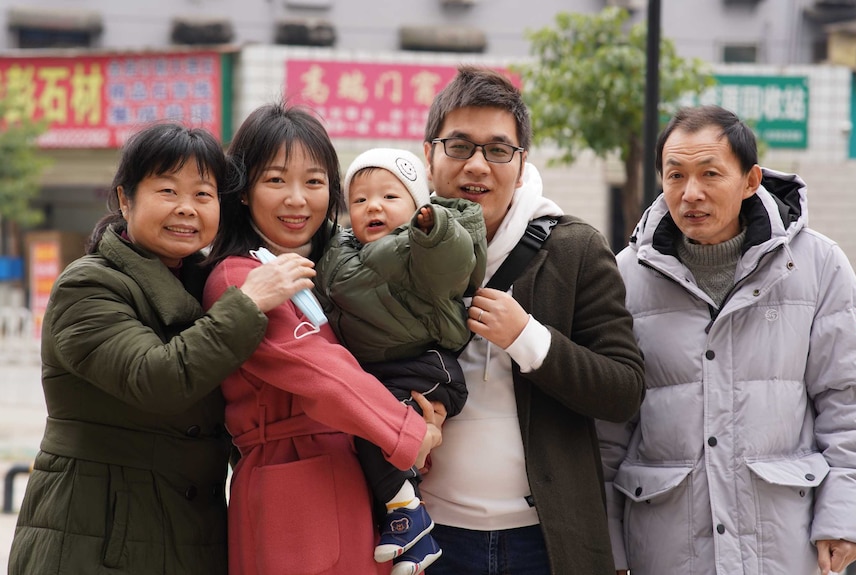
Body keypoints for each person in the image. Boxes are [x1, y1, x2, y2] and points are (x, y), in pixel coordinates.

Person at [8, 122, 309, 575]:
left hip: (191, 534)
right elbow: (158, 379)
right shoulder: (87, 285)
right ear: (126, 199)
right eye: (168, 191)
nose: (186, 209)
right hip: (94, 535)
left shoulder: (204, 284)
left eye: (204, 195)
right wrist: (247, 302)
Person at [604, 105, 856, 575]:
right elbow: (606, 432)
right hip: (664, 548)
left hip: (784, 544)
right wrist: (609, 551)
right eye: (675, 175)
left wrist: (845, 516)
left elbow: (849, 403)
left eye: (710, 174)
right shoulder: (625, 276)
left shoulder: (818, 266)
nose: (691, 193)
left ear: (751, 180)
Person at [417, 65, 645, 574]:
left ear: (521, 166)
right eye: (459, 146)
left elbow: (624, 389)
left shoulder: (575, 249)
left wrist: (528, 339)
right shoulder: (393, 247)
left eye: (498, 150)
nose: (478, 165)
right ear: (428, 155)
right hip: (425, 537)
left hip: (545, 542)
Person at [202, 103, 442, 575]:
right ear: (244, 192)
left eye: (313, 182)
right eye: (275, 180)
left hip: (346, 477)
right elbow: (319, 373)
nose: (297, 199)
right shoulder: (241, 276)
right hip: (295, 491)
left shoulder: (330, 269)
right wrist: (408, 432)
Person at [315, 147, 486, 574]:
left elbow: (452, 262)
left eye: (389, 197)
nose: (373, 206)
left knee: (378, 430)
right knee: (363, 438)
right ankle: (410, 536)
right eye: (359, 200)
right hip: (382, 371)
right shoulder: (339, 253)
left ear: (416, 205)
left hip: (424, 368)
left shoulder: (419, 248)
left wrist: (434, 228)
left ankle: (407, 513)